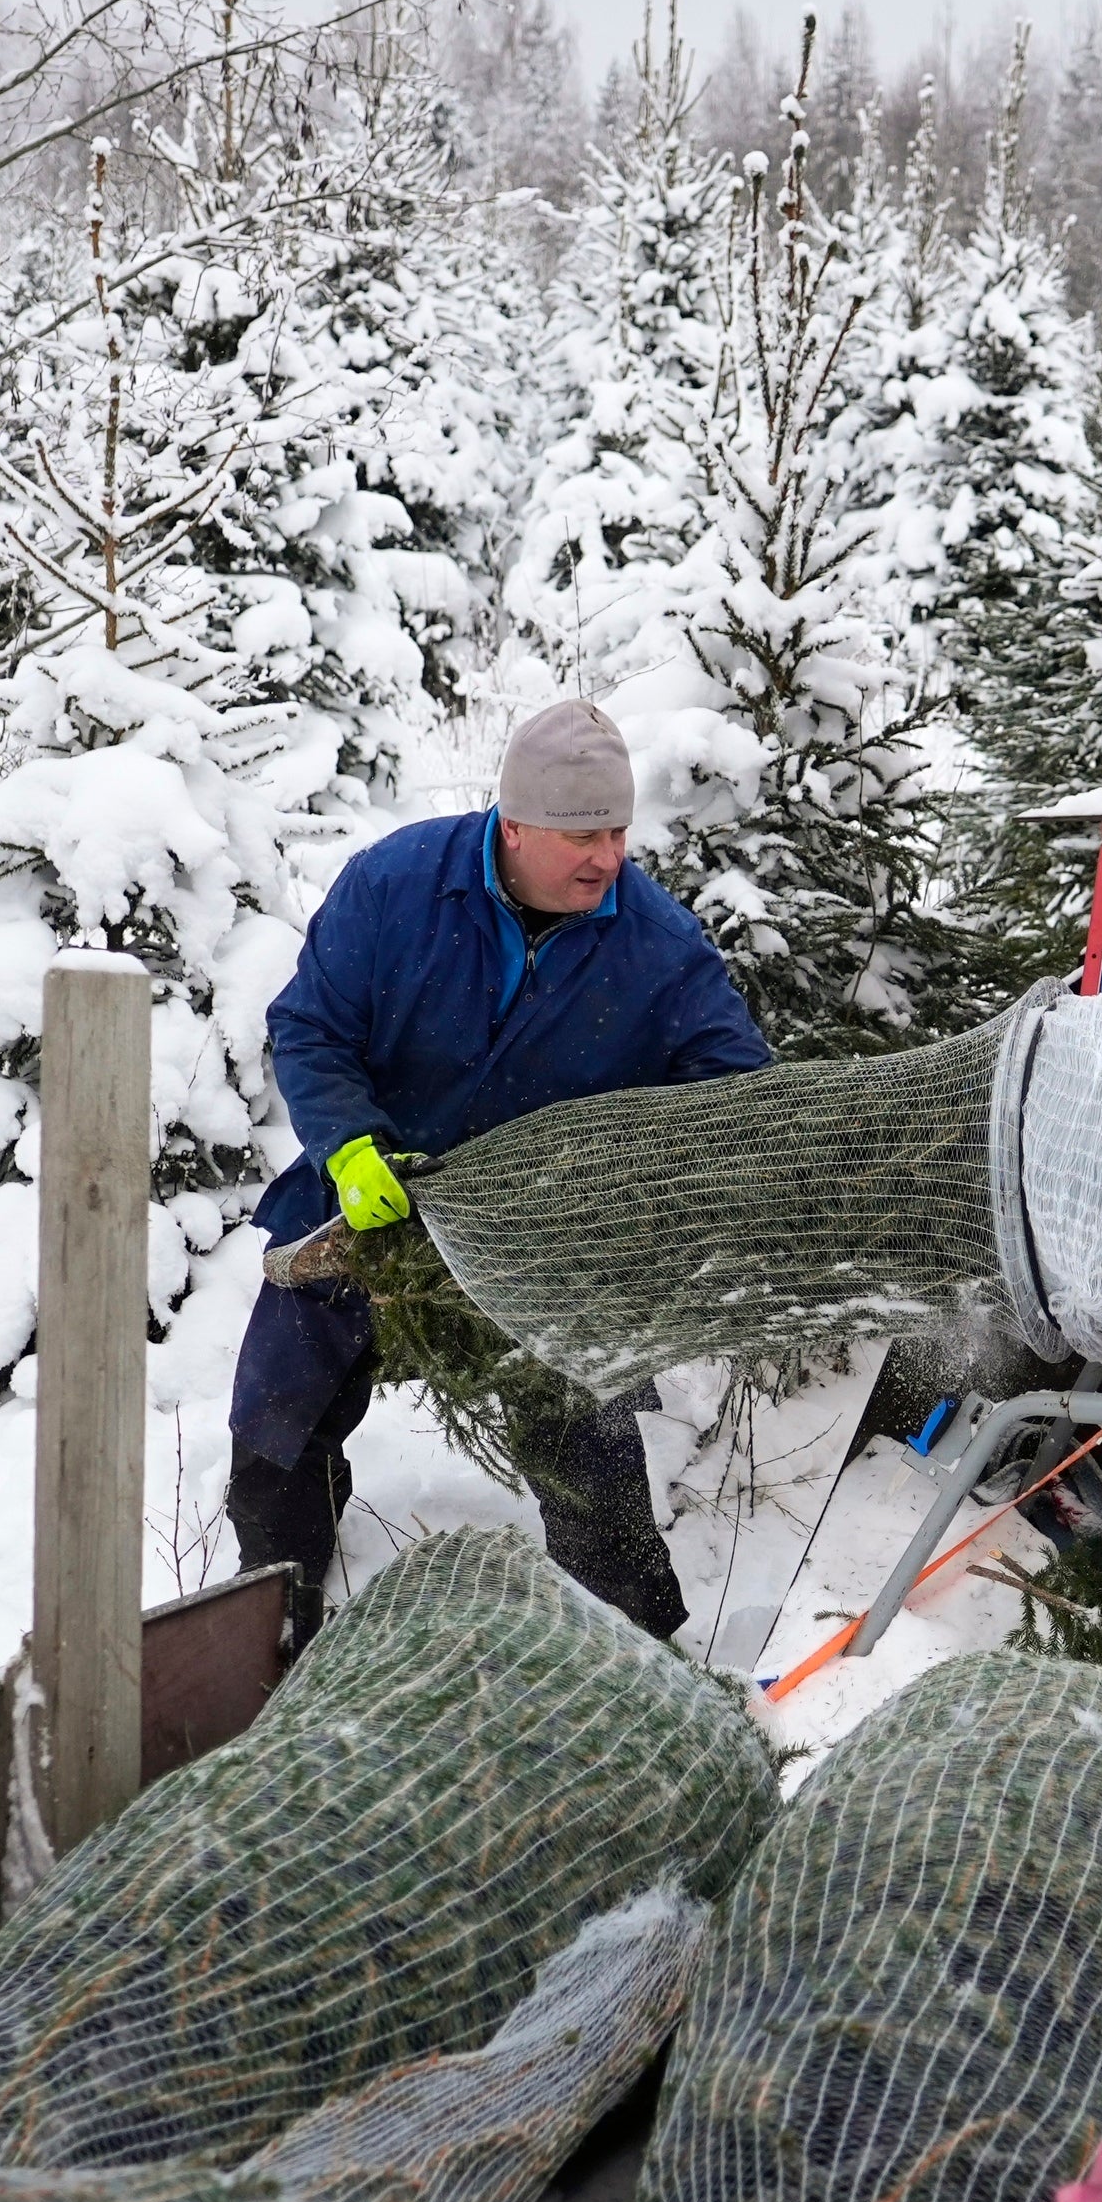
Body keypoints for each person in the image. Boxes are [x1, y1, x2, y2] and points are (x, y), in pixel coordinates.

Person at [233, 698, 770, 1652]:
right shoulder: (395, 887)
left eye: (617, 832)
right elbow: (310, 1029)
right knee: (280, 1418)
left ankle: (636, 1649)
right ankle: (276, 1618)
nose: (607, 859)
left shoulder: (657, 945)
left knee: (588, 1449)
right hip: (370, 1198)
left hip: (538, 1234)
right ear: (513, 825)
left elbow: (736, 1089)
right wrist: (348, 1146)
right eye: (581, 837)